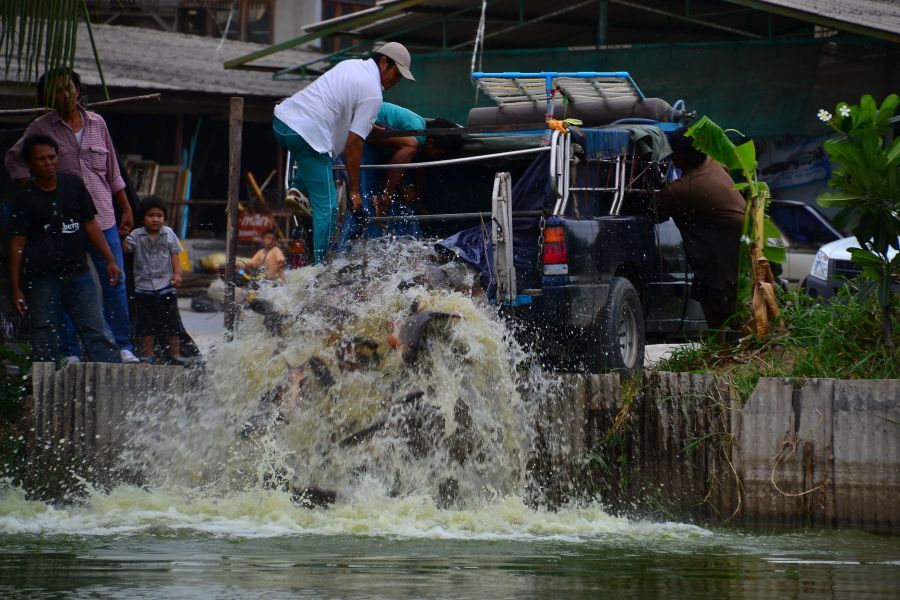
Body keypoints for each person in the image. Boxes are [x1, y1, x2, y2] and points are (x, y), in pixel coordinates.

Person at [4, 68, 139, 363]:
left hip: (102, 215)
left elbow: (113, 171)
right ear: (48, 97)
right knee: (65, 282)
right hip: (64, 224)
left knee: (115, 279)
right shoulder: (40, 127)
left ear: (78, 89)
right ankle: (69, 351)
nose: (64, 96)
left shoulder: (97, 123)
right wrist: (34, 189)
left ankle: (123, 345)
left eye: (69, 88)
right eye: (57, 91)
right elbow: (14, 159)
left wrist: (126, 206)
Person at [272, 42, 415, 263]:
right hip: (307, 137)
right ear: (384, 62)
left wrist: (366, 123)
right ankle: (320, 270)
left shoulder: (351, 66)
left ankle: (298, 191)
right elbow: (354, 144)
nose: (396, 81)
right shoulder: (373, 93)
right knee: (328, 209)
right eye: (397, 73)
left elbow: (331, 100)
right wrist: (355, 192)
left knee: (312, 195)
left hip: (284, 123)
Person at [8, 135, 121, 364]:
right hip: (41, 275)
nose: (49, 163)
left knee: (96, 329)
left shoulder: (73, 184)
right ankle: (43, 388)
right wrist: (16, 287)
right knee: (44, 332)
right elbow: (17, 244)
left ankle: (112, 380)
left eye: (52, 157)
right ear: (30, 164)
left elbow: (90, 223)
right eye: (41, 159)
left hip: (78, 270)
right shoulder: (24, 197)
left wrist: (110, 259)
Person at [656, 130, 746, 333]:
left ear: (678, 157)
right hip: (739, 250)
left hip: (722, 261)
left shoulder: (685, 188)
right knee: (719, 301)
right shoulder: (713, 164)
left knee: (722, 311)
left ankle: (723, 348)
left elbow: (654, 209)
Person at [123, 196, 184, 362]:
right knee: (145, 324)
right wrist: (123, 234)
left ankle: (175, 355)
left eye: (159, 215)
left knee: (172, 322)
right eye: (151, 215)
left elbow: (174, 254)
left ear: (164, 218)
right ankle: (148, 355)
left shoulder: (168, 233)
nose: (155, 219)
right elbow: (126, 249)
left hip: (166, 285)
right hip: (143, 288)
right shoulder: (136, 235)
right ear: (143, 218)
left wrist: (177, 274)